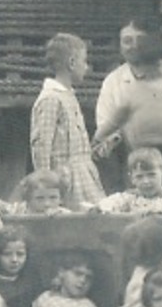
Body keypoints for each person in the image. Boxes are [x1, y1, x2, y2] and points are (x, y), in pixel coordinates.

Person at [92, 20, 162, 191]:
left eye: (140, 40)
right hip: (136, 160)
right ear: (120, 45)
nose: (134, 46)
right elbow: (104, 129)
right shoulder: (114, 81)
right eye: (127, 41)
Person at [29, 33, 105, 208]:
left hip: (83, 175)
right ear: (72, 63)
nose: (87, 67)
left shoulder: (68, 96)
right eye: (84, 61)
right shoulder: (51, 99)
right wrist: (46, 186)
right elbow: (41, 145)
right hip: (66, 180)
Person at [0, 169, 75, 231]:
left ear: (61, 199)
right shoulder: (18, 210)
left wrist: (61, 220)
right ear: (28, 199)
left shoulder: (63, 214)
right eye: (40, 198)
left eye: (53, 198)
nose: (47, 204)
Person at [94, 147, 162, 216]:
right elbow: (109, 203)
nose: (146, 181)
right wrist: (101, 207)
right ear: (132, 178)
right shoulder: (131, 197)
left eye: (151, 175)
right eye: (139, 177)